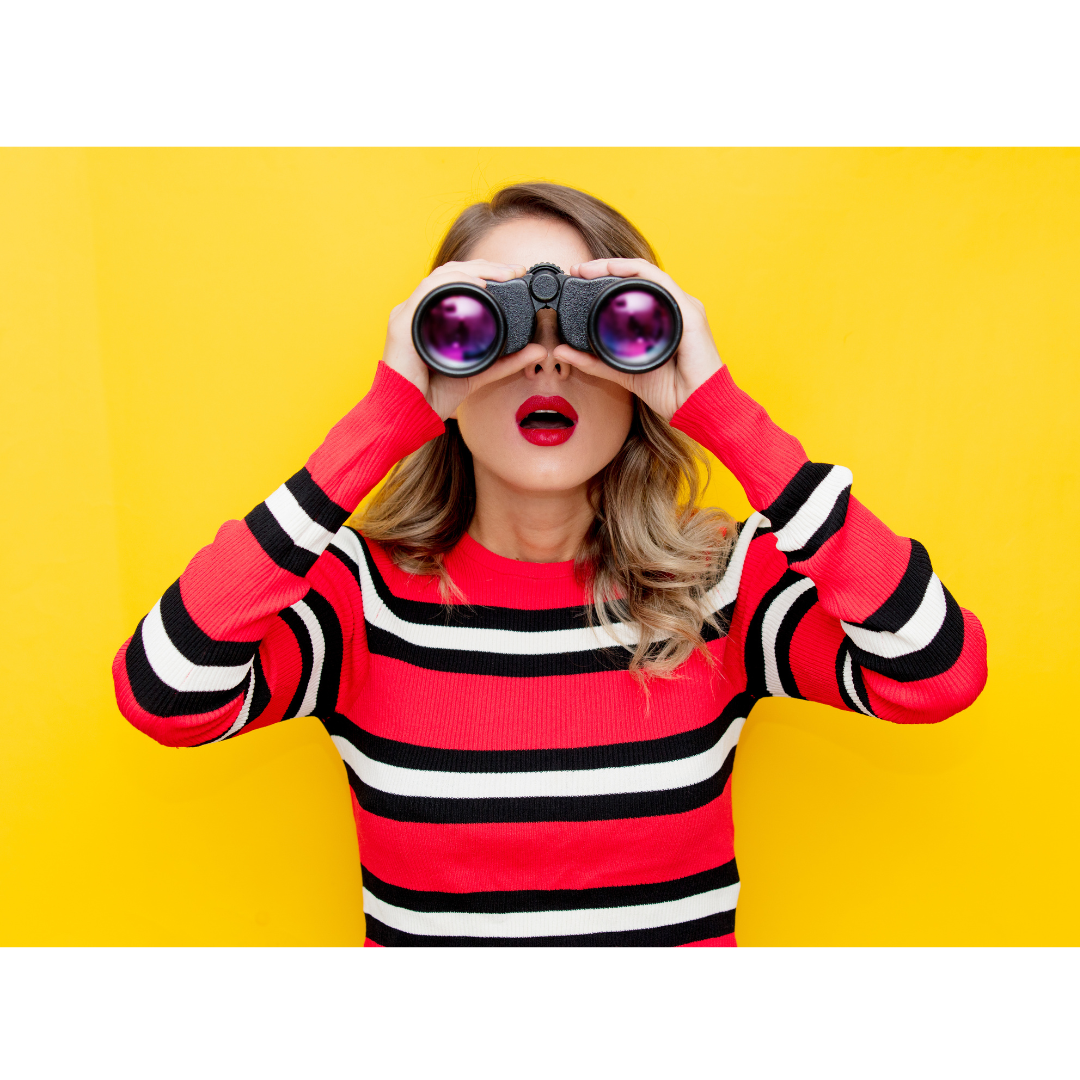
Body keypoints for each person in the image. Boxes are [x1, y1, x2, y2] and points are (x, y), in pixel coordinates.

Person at [112, 182, 987, 946]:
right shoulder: (362, 598)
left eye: (600, 326)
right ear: (433, 357)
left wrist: (718, 410)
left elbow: (938, 673)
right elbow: (164, 694)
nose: (545, 360)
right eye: (481, 326)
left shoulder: (717, 585)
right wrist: (380, 423)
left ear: (646, 357)